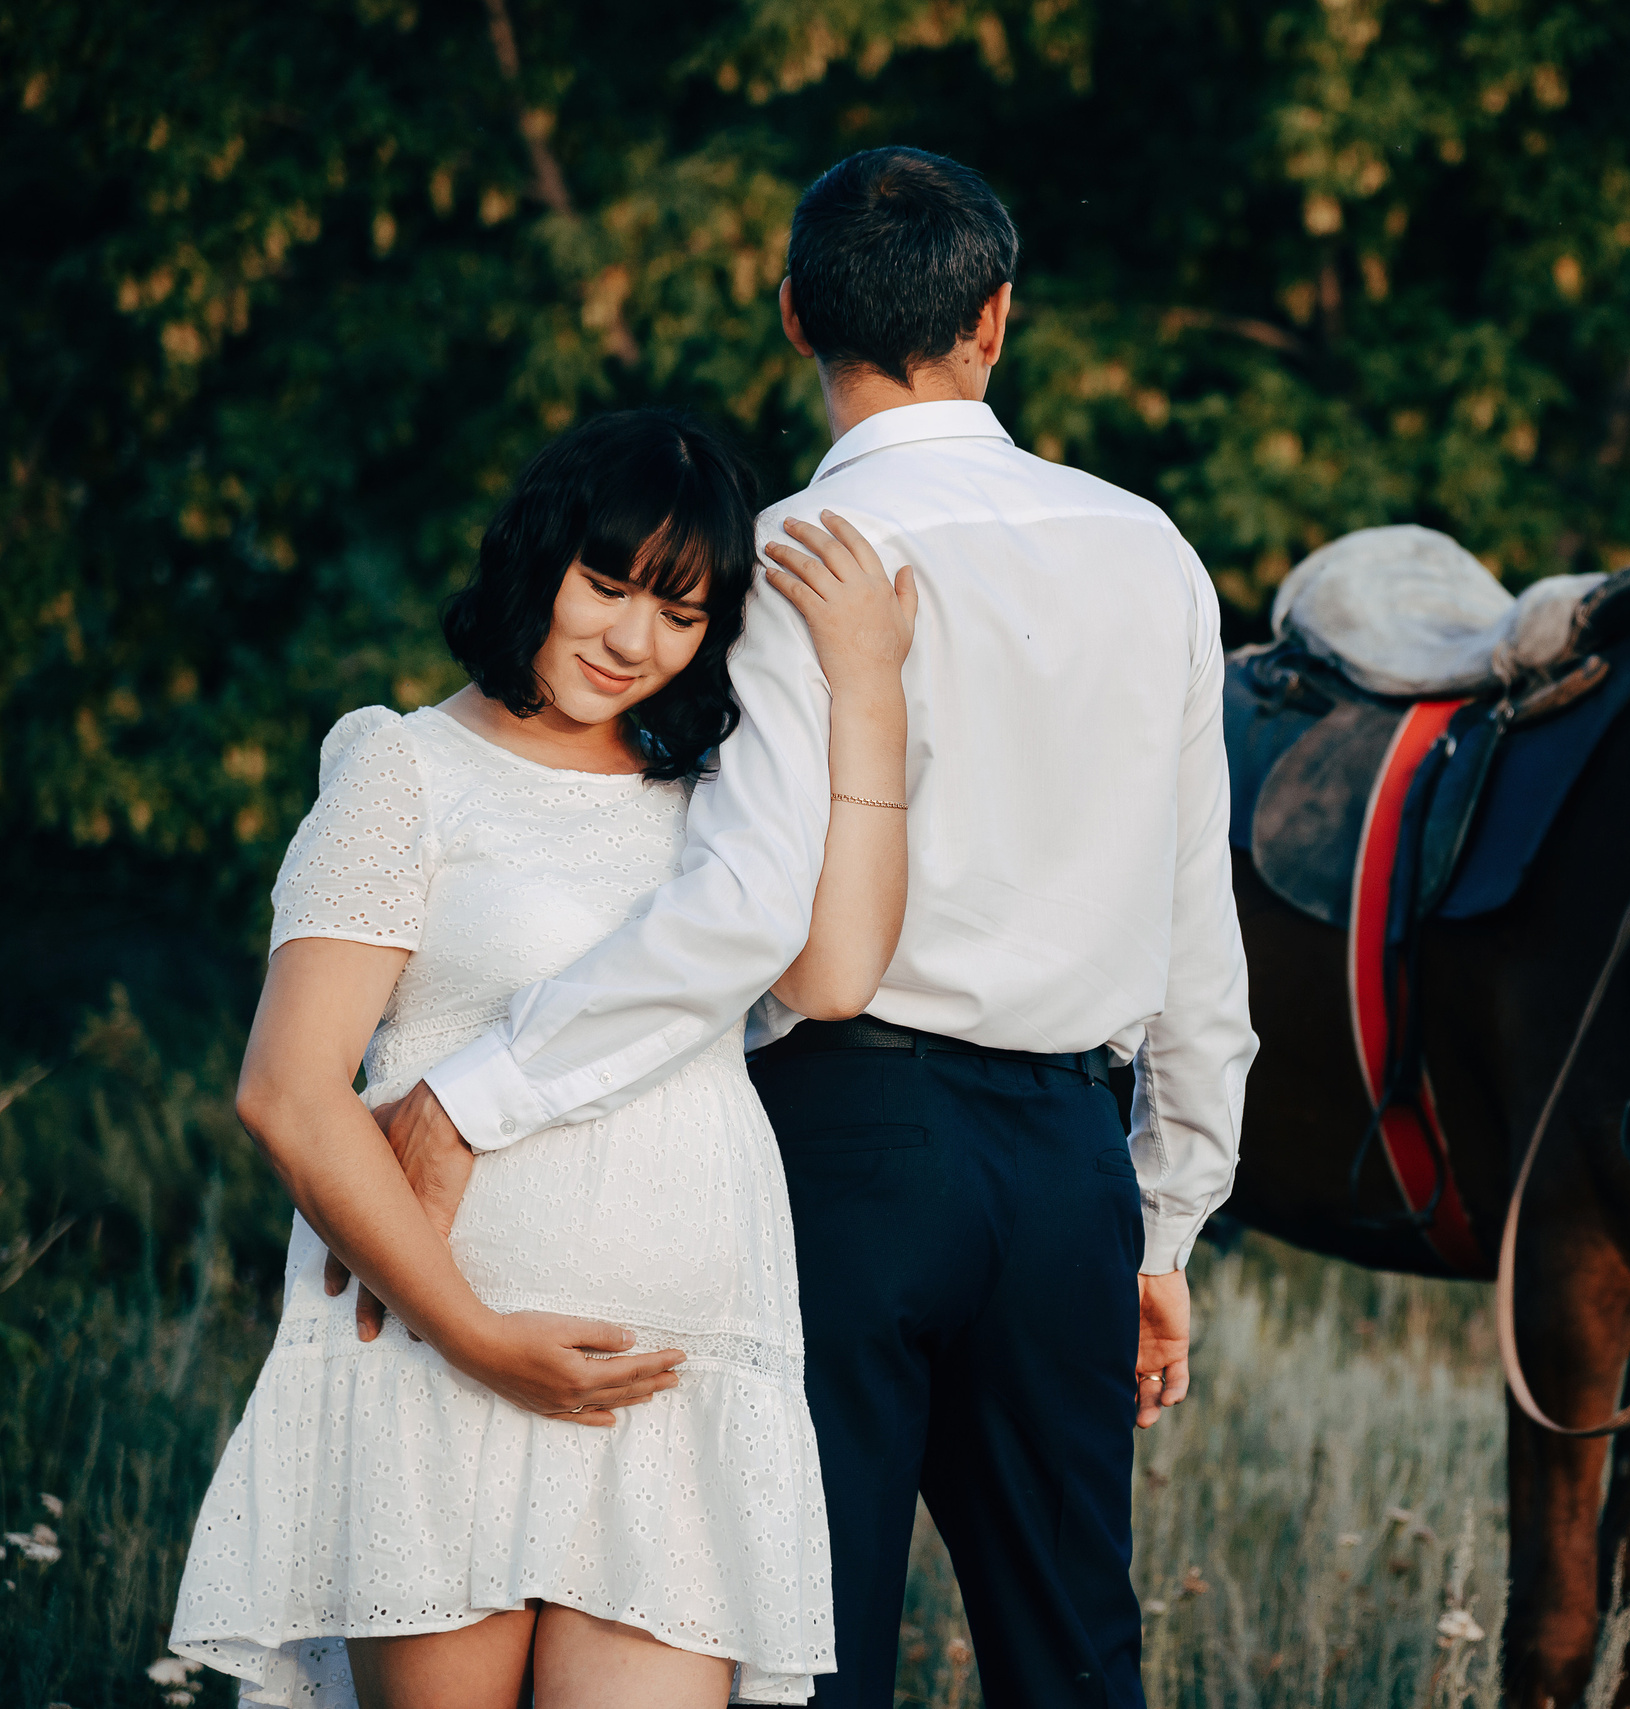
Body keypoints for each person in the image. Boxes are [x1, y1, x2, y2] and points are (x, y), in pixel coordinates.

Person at [363, 146, 1257, 1708]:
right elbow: (1202, 941)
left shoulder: (782, 559)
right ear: (995, 321)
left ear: (795, 315)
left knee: (805, 1645)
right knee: (1076, 1656)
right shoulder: (1152, 552)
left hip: (845, 1144)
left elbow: (747, 911)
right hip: (1068, 1163)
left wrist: (476, 1090)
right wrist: (1164, 1221)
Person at [169, 408, 921, 1708]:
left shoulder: (718, 798)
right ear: (540, 555)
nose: (634, 639)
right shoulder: (406, 769)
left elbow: (836, 971)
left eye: (679, 613)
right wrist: (476, 1338)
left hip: (668, 1384)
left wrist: (866, 688)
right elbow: (289, 1091)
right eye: (608, 583)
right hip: (437, 1367)